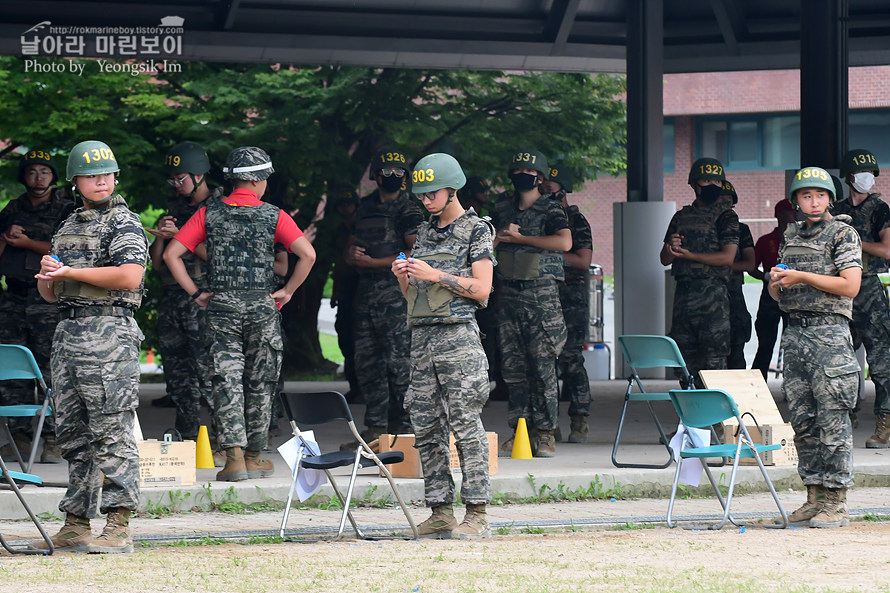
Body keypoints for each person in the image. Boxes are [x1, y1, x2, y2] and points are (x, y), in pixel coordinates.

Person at [164, 146, 316, 482]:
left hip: (221, 308)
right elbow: (307, 254)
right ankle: (254, 456)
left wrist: (196, 293)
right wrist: (288, 290)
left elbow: (173, 253)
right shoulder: (275, 215)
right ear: (260, 181)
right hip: (262, 307)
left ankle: (232, 459)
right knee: (261, 381)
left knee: (226, 380)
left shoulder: (209, 214)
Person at [32, 140, 148, 553]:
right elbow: (51, 295)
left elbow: (130, 276)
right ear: (76, 181)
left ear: (115, 176)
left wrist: (72, 270)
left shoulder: (124, 222)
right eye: (91, 174)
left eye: (107, 173)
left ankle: (118, 525)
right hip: (69, 332)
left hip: (109, 333)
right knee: (73, 434)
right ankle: (77, 522)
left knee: (111, 430)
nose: (100, 180)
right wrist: (49, 276)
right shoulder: (67, 225)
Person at [392, 153, 494, 539]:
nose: (425, 200)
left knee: (466, 426)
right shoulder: (424, 232)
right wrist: (404, 276)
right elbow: (414, 297)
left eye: (431, 193)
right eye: (421, 194)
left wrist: (435, 273)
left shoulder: (476, 230)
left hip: (458, 340)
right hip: (423, 341)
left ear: (453, 188)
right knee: (427, 428)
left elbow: (483, 289)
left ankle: (477, 513)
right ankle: (439, 511)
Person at [769, 165, 861, 529]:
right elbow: (777, 292)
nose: (813, 201)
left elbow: (850, 285)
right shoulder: (790, 236)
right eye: (806, 195)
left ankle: (836, 502)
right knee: (803, 421)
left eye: (820, 195)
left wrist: (802, 276)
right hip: (795, 333)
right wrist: (775, 283)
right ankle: (814, 497)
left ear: (829, 199)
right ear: (796, 200)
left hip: (830, 336)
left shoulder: (842, 233)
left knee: (833, 420)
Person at [491, 149, 570, 458]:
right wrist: (501, 235)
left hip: (541, 295)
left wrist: (521, 238)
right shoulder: (501, 207)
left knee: (543, 366)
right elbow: (487, 242)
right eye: (518, 170)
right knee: (513, 366)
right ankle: (520, 429)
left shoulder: (551, 209)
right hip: (509, 292)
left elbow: (564, 242)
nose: (522, 175)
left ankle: (546, 433)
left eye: (529, 171)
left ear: (540, 177)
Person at [0, 149, 74, 463]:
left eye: (44, 172)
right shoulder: (13, 207)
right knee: (13, 372)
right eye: (32, 172)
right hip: (14, 297)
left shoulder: (66, 207)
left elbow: (68, 250)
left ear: (53, 176)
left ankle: (54, 440)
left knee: (51, 369)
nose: (38, 178)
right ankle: (18, 437)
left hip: (48, 298)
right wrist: (7, 236)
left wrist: (28, 242)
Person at [345, 149, 423, 444]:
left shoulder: (409, 209)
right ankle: (375, 429)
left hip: (397, 295)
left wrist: (375, 264)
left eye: (398, 172)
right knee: (368, 363)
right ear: (375, 176)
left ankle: (407, 429)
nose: (392, 177)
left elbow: (416, 252)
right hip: (366, 297)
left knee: (400, 363)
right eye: (386, 172)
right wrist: (351, 254)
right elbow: (352, 244)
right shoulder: (364, 207)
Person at [147, 142, 222, 446]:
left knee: (208, 373)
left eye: (182, 179)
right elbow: (156, 263)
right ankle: (186, 434)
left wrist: (178, 237)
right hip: (173, 300)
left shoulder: (219, 210)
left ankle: (223, 440)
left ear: (200, 175)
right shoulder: (175, 209)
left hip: (203, 298)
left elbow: (220, 258)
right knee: (178, 376)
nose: (176, 185)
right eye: (173, 180)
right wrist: (162, 236)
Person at [660, 157, 738, 386]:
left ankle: (717, 419)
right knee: (685, 362)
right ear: (693, 185)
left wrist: (692, 256)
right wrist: (671, 249)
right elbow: (664, 259)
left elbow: (727, 257)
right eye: (706, 180)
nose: (712, 185)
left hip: (712, 296)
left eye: (716, 180)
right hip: (684, 295)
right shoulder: (681, 217)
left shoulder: (726, 215)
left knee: (714, 362)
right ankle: (692, 417)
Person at [830, 149, 890, 448]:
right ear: (850, 177)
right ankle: (845, 413)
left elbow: (887, 250)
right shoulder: (836, 209)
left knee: (880, 361)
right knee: (838, 358)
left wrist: (853, 239)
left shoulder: (880, 210)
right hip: (840, 289)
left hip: (867, 289)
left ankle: (884, 422)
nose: (869, 179)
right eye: (862, 173)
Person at [542, 166, 593, 442]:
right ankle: (549, 423)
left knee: (571, 361)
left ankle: (580, 418)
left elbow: (583, 260)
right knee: (545, 362)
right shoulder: (538, 219)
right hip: (544, 298)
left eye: (550, 189)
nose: (545, 194)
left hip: (571, 300)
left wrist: (549, 255)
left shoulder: (576, 220)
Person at [751, 199, 796, 380]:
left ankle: (794, 386)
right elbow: (751, 267)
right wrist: (766, 276)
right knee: (766, 343)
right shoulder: (765, 241)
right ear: (778, 215)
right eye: (787, 213)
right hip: (770, 294)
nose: (791, 217)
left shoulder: (802, 240)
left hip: (794, 294)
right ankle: (758, 385)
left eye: (793, 213)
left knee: (794, 343)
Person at [328, 186, 362, 401]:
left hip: (363, 286)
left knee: (361, 341)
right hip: (345, 289)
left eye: (349, 204)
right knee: (345, 339)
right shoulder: (340, 231)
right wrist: (334, 292)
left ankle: (363, 388)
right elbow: (338, 264)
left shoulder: (363, 228)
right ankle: (354, 386)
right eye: (342, 204)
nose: (345, 208)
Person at [718, 180, 756, 369]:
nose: (724, 204)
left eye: (728, 200)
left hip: (733, 295)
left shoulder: (741, 230)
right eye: (720, 199)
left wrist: (717, 263)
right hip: (704, 297)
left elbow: (750, 263)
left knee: (736, 354)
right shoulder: (703, 228)